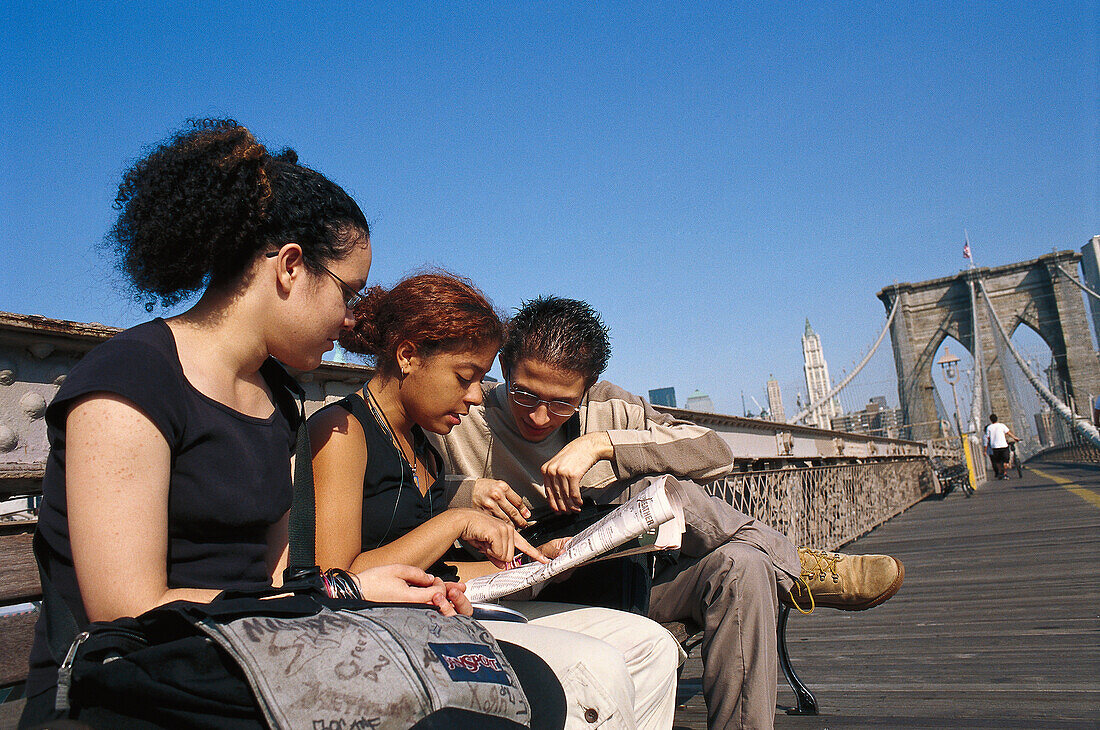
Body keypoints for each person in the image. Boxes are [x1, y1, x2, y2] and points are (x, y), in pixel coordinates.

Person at [19, 121, 546, 727]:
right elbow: (126, 608)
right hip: (130, 681)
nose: (352, 322)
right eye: (349, 293)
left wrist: (369, 591)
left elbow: (271, 580)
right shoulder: (130, 381)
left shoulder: (275, 397)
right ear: (291, 266)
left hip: (246, 658)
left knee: (527, 689)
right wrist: (342, 592)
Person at [432, 296, 907, 730]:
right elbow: (401, 498)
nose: (538, 416)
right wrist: (465, 494)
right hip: (526, 591)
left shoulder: (610, 407)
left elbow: (714, 450)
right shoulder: (462, 415)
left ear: (588, 389)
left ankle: (778, 570)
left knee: (741, 562)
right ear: (504, 371)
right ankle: (798, 570)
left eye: (561, 403)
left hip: (624, 578)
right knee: (658, 490)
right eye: (524, 395)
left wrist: (603, 445)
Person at [309, 275, 681, 730]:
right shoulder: (343, 432)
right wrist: (454, 522)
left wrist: (536, 565)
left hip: (440, 611)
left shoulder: (421, 445)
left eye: (481, 380)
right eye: (465, 378)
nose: (475, 396)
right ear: (407, 356)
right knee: (598, 664)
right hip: (380, 633)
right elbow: (336, 580)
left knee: (652, 644)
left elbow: (434, 573)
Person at [984, 413, 1018, 480]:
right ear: (997, 419)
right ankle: (1005, 473)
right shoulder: (1002, 425)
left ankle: (1000, 473)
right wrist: (1015, 438)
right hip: (1004, 445)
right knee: (1005, 461)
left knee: (998, 461)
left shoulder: (989, 427)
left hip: (995, 447)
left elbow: (988, 438)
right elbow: (1008, 433)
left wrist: (990, 444)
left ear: (990, 420)